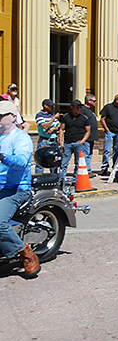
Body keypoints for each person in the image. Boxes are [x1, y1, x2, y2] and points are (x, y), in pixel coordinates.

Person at [0, 100, 39, 277]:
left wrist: (3, 157)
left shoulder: (21, 138)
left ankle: (26, 254)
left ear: (13, 117)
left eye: (1, 115)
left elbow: (22, 161)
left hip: (15, 188)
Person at [58, 100, 91, 183]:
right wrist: (60, 141)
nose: (79, 109)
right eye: (77, 107)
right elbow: (62, 129)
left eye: (80, 107)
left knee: (78, 163)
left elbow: (88, 131)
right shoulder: (66, 117)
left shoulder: (84, 118)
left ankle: (76, 180)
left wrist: (83, 141)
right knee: (63, 163)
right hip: (67, 143)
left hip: (78, 143)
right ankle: (61, 180)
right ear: (72, 107)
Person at [99, 94, 118, 176]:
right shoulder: (108, 107)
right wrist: (107, 129)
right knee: (107, 150)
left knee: (116, 150)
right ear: (116, 100)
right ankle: (104, 168)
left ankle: (115, 167)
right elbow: (102, 119)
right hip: (110, 131)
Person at [34, 99, 60, 174]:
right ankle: (39, 177)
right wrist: (53, 119)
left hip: (54, 140)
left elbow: (59, 126)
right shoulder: (40, 115)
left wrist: (53, 128)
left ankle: (54, 178)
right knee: (40, 161)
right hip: (44, 140)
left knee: (54, 160)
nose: (52, 108)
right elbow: (45, 126)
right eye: (51, 106)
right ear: (45, 106)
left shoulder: (52, 114)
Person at [81, 94, 99, 177]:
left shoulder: (90, 111)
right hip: (86, 137)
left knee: (89, 154)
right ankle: (86, 171)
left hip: (91, 137)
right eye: (94, 101)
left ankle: (88, 170)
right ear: (89, 101)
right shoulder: (83, 110)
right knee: (86, 153)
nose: (96, 103)